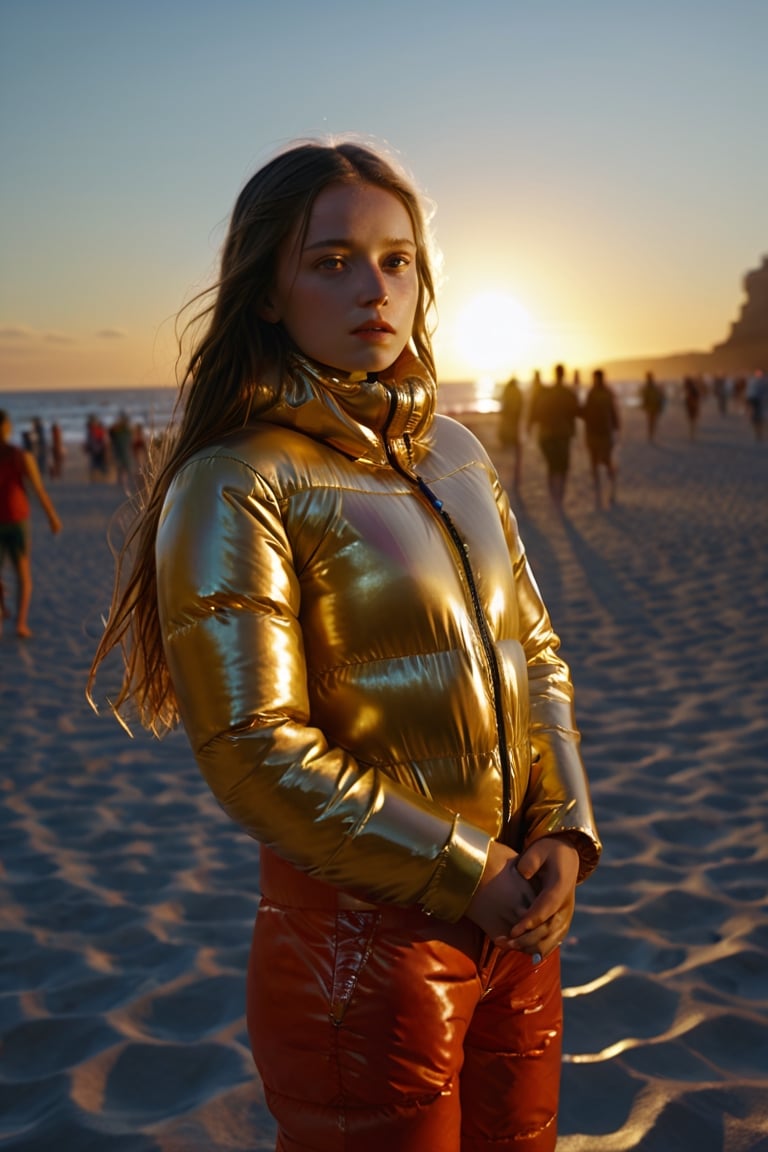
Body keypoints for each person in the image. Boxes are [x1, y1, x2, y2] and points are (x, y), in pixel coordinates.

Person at [88, 140, 600, 1151]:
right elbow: (253, 746)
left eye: (397, 258)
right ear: (267, 291)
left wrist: (565, 832)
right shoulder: (237, 481)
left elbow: (532, 647)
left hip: (522, 923)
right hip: (361, 950)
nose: (375, 286)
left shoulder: (454, 451)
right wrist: (466, 871)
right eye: (331, 261)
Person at [0, 409, 61, 638]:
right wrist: (52, 517)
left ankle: (16, 619)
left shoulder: (20, 456)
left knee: (20, 573)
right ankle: (14, 617)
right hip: (10, 522)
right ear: (7, 427)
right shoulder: (19, 455)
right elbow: (38, 489)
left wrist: (52, 517)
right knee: (19, 575)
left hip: (15, 522)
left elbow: (37, 489)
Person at [529, 363, 580, 510]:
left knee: (552, 467)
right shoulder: (568, 393)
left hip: (547, 435)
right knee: (562, 467)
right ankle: (559, 498)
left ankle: (554, 498)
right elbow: (576, 411)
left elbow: (537, 411)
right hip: (562, 435)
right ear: (564, 374)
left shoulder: (547, 392)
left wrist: (531, 426)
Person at [580, 369, 620, 508]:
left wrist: (617, 429)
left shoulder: (602, 393)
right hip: (595, 434)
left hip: (602, 434)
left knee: (604, 462)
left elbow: (613, 414)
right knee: (595, 464)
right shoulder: (596, 393)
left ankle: (610, 489)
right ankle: (600, 493)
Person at [497, 374, 523, 488]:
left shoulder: (507, 391)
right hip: (514, 424)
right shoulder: (517, 392)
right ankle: (516, 477)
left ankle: (511, 478)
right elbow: (520, 407)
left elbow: (504, 406)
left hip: (508, 423)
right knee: (516, 452)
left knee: (508, 449)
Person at [639, 371, 664, 442]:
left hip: (652, 407)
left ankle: (651, 435)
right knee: (651, 421)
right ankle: (651, 435)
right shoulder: (651, 387)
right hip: (652, 407)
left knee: (651, 421)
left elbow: (644, 397)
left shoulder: (650, 387)